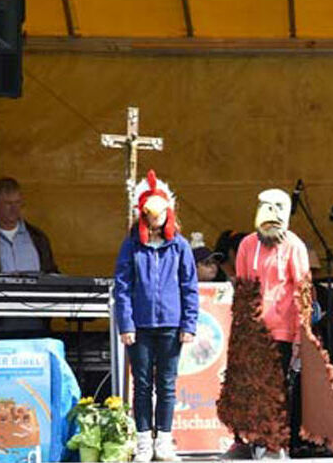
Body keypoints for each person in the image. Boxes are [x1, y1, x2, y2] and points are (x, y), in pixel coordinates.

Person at [112, 171, 199, 462]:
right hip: (140, 327)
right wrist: (126, 323)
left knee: (166, 384)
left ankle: (163, 441)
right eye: (151, 213)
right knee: (142, 385)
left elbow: (190, 287)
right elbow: (122, 287)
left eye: (161, 213)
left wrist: (188, 324)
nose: (157, 218)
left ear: (168, 212)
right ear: (143, 215)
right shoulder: (131, 245)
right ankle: (142, 443)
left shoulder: (181, 246)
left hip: (171, 327)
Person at [234, 188, 312, 458]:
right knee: (253, 387)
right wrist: (241, 332)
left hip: (284, 331)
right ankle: (255, 441)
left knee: (278, 390)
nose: (272, 214)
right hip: (253, 331)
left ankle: (276, 445)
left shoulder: (295, 246)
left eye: (279, 208)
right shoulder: (246, 245)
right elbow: (242, 289)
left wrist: (302, 337)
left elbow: (302, 292)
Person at [0, 177, 59, 339]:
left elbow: (51, 272)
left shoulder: (37, 237)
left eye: (18, 203)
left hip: (36, 321)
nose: (14, 209)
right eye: (8, 203)